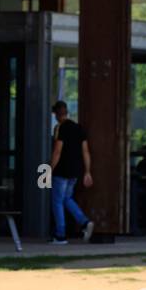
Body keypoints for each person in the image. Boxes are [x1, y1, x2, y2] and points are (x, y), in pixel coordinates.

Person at [50, 101, 94, 243]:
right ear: (67, 112)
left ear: (56, 114)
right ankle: (84, 222)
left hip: (61, 170)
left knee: (57, 201)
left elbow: (57, 151)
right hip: (75, 171)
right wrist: (87, 171)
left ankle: (60, 235)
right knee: (66, 198)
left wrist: (49, 169)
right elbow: (86, 151)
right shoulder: (78, 128)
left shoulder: (61, 128)